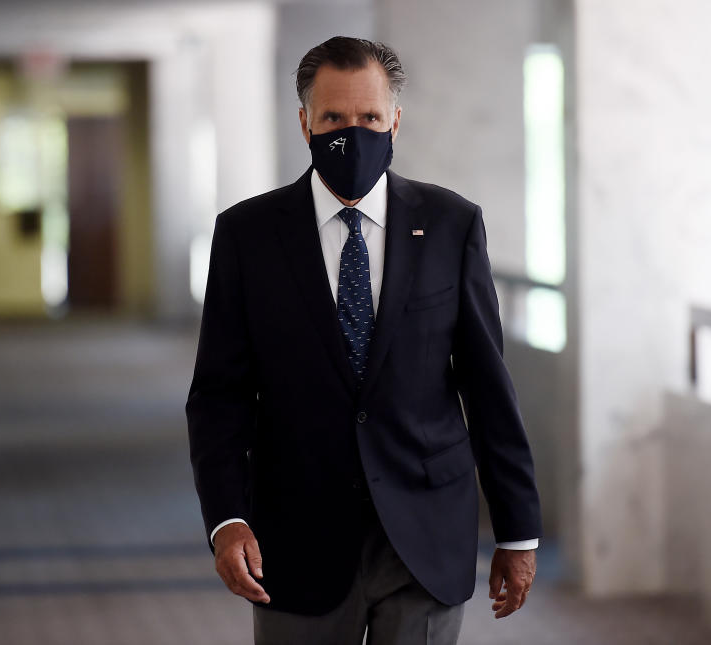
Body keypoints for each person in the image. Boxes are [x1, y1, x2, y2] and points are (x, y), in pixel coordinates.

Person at [186, 36, 542, 645]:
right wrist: (227, 519)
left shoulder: (453, 225)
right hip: (295, 539)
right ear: (304, 123)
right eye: (333, 119)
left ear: (395, 120)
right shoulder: (246, 236)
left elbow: (487, 387)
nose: (353, 133)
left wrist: (518, 531)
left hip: (425, 533)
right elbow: (219, 396)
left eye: (370, 118)